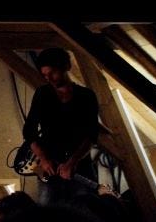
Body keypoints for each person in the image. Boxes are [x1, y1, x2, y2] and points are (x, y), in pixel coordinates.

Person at [22, 47, 99, 205]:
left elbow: (91, 134)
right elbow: (29, 131)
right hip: (49, 165)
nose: (49, 78)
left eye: (53, 73)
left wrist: (72, 162)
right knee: (47, 211)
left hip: (79, 165)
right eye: (45, 75)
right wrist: (43, 158)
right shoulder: (42, 94)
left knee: (86, 208)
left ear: (66, 67)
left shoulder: (86, 96)